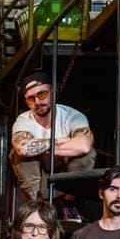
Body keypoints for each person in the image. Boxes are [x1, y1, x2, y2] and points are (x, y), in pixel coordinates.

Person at [10, 70, 95, 202]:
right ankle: (36, 203)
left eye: (42, 94)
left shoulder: (72, 116)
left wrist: (41, 147)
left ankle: (69, 200)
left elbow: (84, 146)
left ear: (52, 92)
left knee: (88, 153)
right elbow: (23, 149)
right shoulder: (24, 120)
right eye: (31, 98)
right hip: (41, 180)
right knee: (16, 154)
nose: (38, 102)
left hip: (67, 176)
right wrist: (59, 141)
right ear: (27, 102)